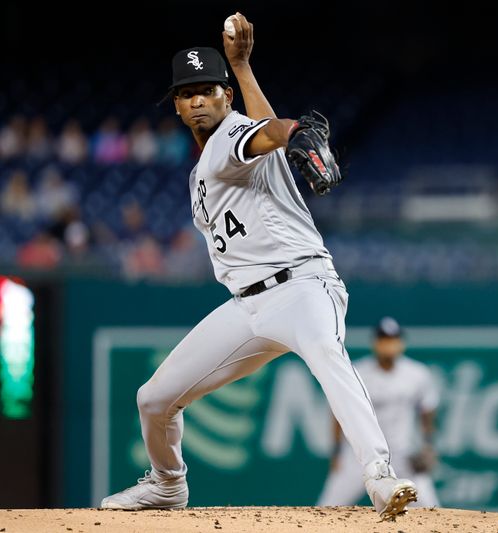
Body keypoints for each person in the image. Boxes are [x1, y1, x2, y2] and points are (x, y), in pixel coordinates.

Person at [99, 13, 416, 520]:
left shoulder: (230, 137)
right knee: (154, 399)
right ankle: (166, 484)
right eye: (187, 93)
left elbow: (270, 131)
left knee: (327, 359)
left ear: (225, 98)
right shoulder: (205, 167)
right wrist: (244, 69)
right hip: (247, 307)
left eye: (208, 89)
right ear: (176, 106)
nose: (198, 100)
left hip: (303, 286)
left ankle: (379, 475)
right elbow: (265, 134)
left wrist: (295, 131)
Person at [317, 317, 440, 508]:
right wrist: (336, 451)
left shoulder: (417, 374)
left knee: (430, 509)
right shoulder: (357, 372)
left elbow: (427, 409)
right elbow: (338, 411)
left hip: (404, 455)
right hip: (360, 455)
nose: (388, 344)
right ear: (375, 343)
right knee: (328, 507)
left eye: (392, 339)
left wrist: (428, 446)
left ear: (401, 343)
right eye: (383, 339)